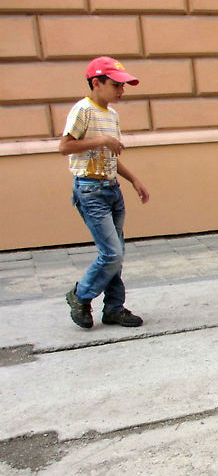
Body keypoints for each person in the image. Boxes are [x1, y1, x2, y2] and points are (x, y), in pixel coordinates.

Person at [61, 56, 150, 329]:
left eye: (123, 86)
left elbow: (109, 156)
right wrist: (101, 139)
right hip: (90, 189)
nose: (121, 91)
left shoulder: (111, 115)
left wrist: (133, 179)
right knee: (111, 253)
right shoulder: (83, 110)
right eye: (116, 85)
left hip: (111, 188)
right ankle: (81, 295)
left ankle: (114, 307)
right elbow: (65, 146)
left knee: (117, 252)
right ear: (96, 83)